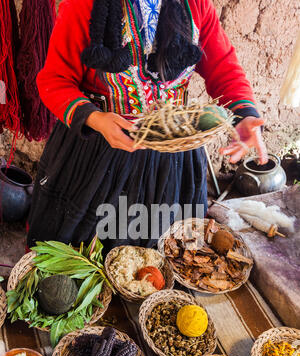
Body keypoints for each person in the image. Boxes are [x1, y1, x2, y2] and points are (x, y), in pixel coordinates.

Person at [27, 0, 268, 252]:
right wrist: (96, 119)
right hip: (97, 157)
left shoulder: (195, 5)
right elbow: (55, 80)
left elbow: (224, 71)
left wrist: (246, 114)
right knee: (84, 260)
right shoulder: (83, 5)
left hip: (173, 165)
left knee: (168, 257)